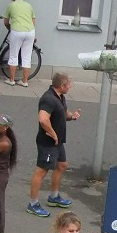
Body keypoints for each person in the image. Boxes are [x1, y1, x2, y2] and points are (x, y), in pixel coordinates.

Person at [27, 72, 80, 217]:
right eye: (69, 85)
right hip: (48, 143)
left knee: (62, 165)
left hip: (57, 142)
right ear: (62, 86)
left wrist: (72, 116)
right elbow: (43, 120)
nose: (70, 87)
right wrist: (53, 133)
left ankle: (54, 196)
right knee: (41, 171)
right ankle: (33, 204)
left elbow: (62, 112)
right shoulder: (48, 99)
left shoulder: (60, 97)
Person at [3, 0, 36, 87]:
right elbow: (33, 21)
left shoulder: (11, 5)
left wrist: (10, 28)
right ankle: (25, 81)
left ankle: (11, 80)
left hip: (17, 31)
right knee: (26, 57)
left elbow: (5, 21)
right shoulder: (29, 5)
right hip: (30, 32)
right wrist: (32, 33)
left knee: (13, 55)